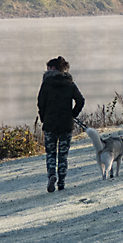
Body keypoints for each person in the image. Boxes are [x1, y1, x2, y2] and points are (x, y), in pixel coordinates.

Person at [37, 55, 85, 192]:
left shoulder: (46, 84)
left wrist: (43, 118)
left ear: (52, 68)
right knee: (63, 155)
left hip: (50, 124)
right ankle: (61, 183)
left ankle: (52, 175)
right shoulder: (69, 83)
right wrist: (73, 114)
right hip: (66, 124)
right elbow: (80, 100)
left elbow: (40, 103)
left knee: (50, 153)